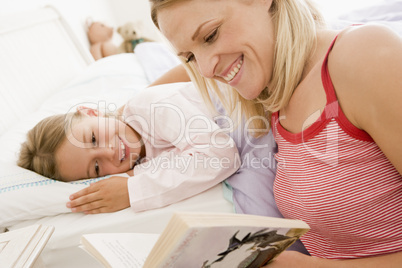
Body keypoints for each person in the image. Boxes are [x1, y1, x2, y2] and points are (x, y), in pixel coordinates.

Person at [148, 0, 402, 266]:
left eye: (210, 36)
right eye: (190, 57)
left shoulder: (365, 55)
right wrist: (116, 116)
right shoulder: (273, 96)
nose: (206, 70)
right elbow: (184, 77)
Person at [18, 82, 240, 214]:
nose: (108, 152)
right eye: (96, 167)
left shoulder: (152, 106)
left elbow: (220, 155)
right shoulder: (138, 165)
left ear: (92, 112)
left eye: (93, 138)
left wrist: (133, 190)